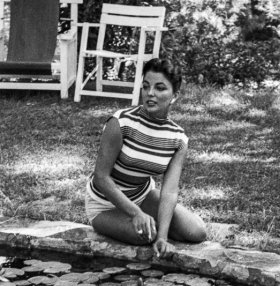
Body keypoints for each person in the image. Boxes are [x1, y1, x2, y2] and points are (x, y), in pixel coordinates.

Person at [85, 56, 206, 259]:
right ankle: (139, 223)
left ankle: (155, 226)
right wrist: (136, 213)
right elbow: (101, 177)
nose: (150, 93)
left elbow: (169, 192)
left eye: (160, 88)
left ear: (174, 96)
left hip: (142, 196)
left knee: (196, 232)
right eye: (146, 86)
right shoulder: (121, 123)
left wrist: (164, 237)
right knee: (145, 235)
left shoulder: (178, 139)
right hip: (103, 203)